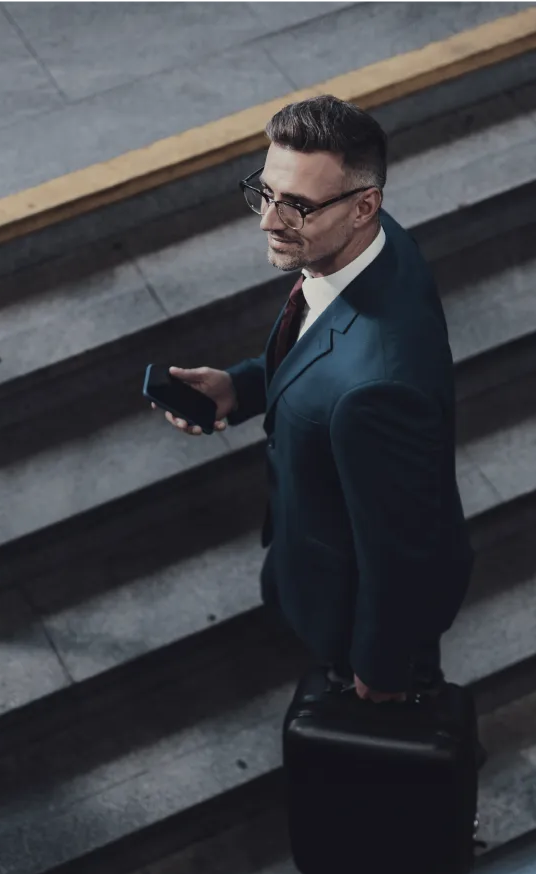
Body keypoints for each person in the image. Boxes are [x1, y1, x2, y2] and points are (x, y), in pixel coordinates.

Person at [151, 94, 475, 710]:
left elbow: (401, 552)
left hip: (347, 609)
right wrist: (243, 387)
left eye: (297, 206)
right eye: (266, 192)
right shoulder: (380, 247)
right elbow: (322, 348)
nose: (269, 222)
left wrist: (380, 673)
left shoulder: (377, 391)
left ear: (363, 207)